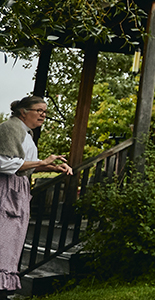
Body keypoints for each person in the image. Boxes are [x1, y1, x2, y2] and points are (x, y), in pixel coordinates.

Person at [1, 96, 73, 296]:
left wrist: (54, 167)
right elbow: (5, 163)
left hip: (18, 189)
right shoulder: (9, 128)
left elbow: (28, 163)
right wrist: (42, 163)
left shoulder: (26, 134)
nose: (43, 114)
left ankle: (4, 289)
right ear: (23, 112)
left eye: (45, 112)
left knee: (12, 243)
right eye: (39, 110)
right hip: (6, 189)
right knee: (4, 241)